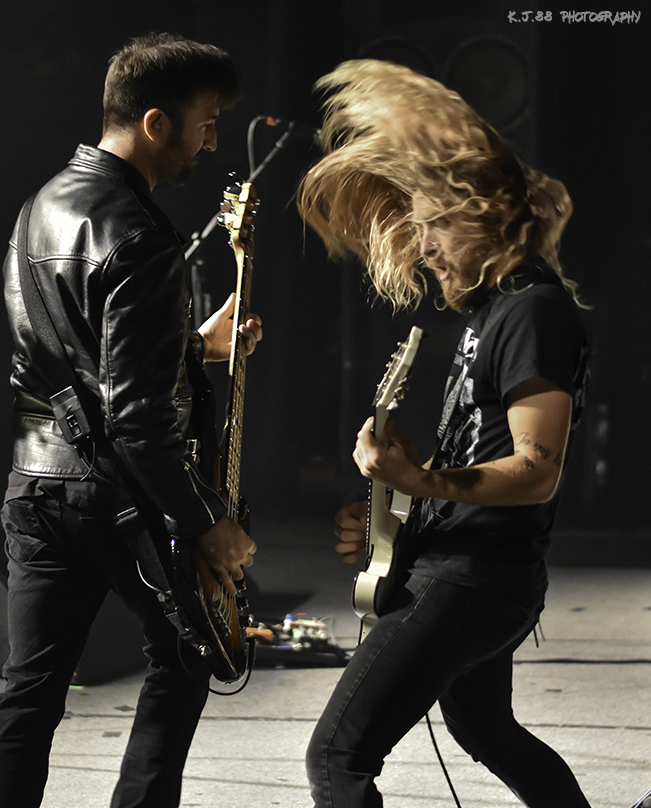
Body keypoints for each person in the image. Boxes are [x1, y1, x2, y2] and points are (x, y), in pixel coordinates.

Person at [0, 33, 261, 808]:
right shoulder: (141, 233)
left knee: (28, 694)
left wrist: (194, 347)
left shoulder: (38, 207)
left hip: (34, 485)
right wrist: (209, 523)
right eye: (208, 120)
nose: (213, 138)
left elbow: (72, 358)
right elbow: (135, 418)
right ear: (157, 122)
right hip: (117, 498)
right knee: (191, 655)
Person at [297, 59, 591, 807]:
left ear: (481, 212)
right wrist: (389, 508)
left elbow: (537, 469)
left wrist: (419, 483)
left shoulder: (532, 312)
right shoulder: (490, 311)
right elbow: (475, 459)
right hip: (467, 569)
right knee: (490, 733)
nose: (423, 247)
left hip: (474, 580)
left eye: (432, 226)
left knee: (337, 755)